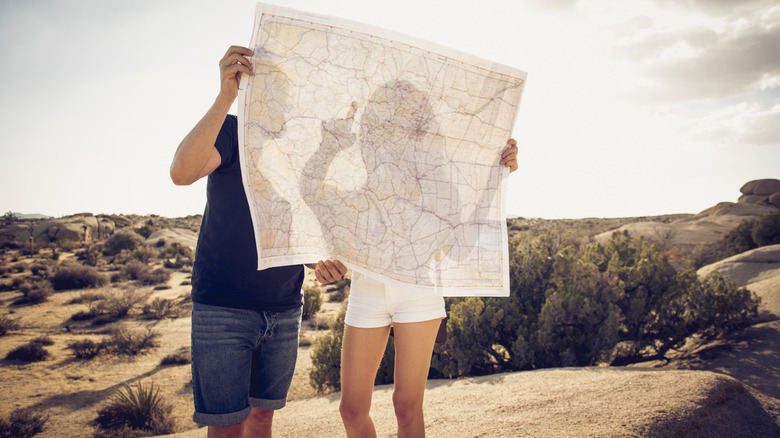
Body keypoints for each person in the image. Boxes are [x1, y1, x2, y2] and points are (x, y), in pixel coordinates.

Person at [170, 45, 348, 438]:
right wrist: (224, 97)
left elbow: (298, 224)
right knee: (227, 427)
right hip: (223, 308)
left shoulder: (300, 152)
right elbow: (181, 173)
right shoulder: (232, 133)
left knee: (263, 419)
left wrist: (317, 261)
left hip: (284, 308)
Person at [338, 136, 519, 438]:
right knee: (352, 410)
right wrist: (328, 262)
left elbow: (461, 243)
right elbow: (337, 235)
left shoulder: (438, 177)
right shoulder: (357, 170)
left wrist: (496, 177)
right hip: (366, 291)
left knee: (406, 407)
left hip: (418, 293)